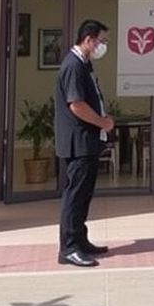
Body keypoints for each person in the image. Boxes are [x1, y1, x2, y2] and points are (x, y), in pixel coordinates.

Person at [54, 19, 115, 267]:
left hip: (88, 141)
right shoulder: (73, 65)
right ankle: (69, 248)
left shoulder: (84, 64)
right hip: (77, 142)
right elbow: (76, 104)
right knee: (75, 195)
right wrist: (102, 122)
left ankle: (80, 240)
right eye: (102, 40)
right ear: (88, 39)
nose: (103, 46)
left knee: (84, 195)